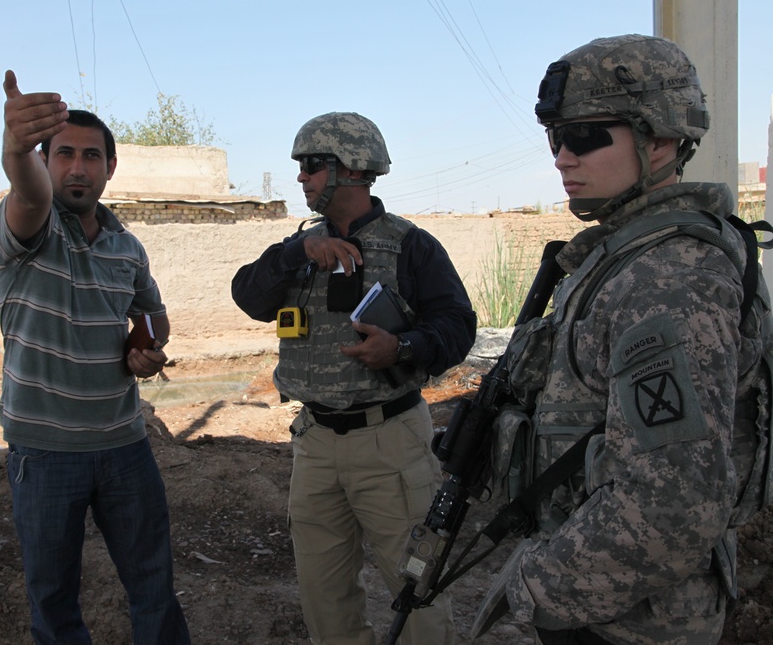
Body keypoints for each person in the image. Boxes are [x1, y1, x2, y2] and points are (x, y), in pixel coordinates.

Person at [473, 34, 773, 645]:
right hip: (604, 596)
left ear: (660, 138)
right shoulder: (630, 257)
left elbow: (671, 508)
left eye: (584, 136)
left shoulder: (671, 279)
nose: (561, 157)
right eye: (555, 137)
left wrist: (531, 587)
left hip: (631, 619)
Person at [232, 112, 476, 644]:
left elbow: (458, 326)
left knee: (417, 590)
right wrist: (296, 251)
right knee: (324, 596)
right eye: (301, 168)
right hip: (315, 443)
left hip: (389, 442)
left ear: (351, 168)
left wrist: (402, 347)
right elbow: (248, 296)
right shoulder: (298, 249)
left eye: (312, 166)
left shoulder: (411, 245)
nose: (301, 178)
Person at [0, 69, 191, 645]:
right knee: (53, 599)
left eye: (90, 156)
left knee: (154, 585)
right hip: (45, 452)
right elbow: (29, 191)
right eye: (62, 155)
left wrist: (147, 349)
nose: (76, 167)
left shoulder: (127, 246)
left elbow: (154, 315)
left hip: (125, 447)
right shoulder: (27, 228)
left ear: (110, 167)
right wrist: (14, 149)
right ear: (45, 160)